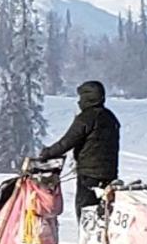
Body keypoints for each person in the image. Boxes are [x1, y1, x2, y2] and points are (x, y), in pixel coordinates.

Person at [36, 80, 120, 221]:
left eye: (81, 97)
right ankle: (104, 239)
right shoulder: (110, 117)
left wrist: (48, 153)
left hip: (89, 173)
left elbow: (67, 141)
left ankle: (89, 240)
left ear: (88, 98)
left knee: (85, 209)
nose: (79, 102)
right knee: (105, 210)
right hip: (110, 172)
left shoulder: (86, 118)